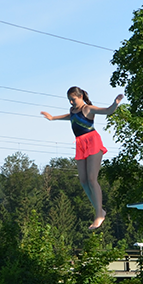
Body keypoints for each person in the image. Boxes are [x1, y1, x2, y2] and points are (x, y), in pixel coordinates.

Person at [42, 87, 123, 230]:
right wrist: (52, 118)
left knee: (92, 179)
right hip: (80, 144)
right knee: (83, 181)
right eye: (69, 100)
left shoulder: (88, 109)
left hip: (92, 141)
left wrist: (115, 104)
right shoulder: (73, 111)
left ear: (81, 97)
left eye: (73, 99)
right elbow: (70, 117)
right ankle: (99, 210)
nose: (71, 102)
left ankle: (99, 214)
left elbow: (107, 111)